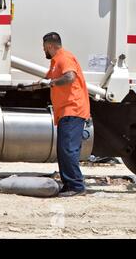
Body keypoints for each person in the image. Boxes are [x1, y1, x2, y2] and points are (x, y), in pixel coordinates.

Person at [41, 32, 91, 197]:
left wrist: (53, 82)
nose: (43, 51)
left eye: (44, 47)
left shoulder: (64, 58)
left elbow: (70, 77)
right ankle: (69, 184)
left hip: (73, 109)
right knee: (64, 150)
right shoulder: (55, 62)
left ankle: (76, 186)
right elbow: (46, 80)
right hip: (65, 111)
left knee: (68, 149)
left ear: (49, 46)